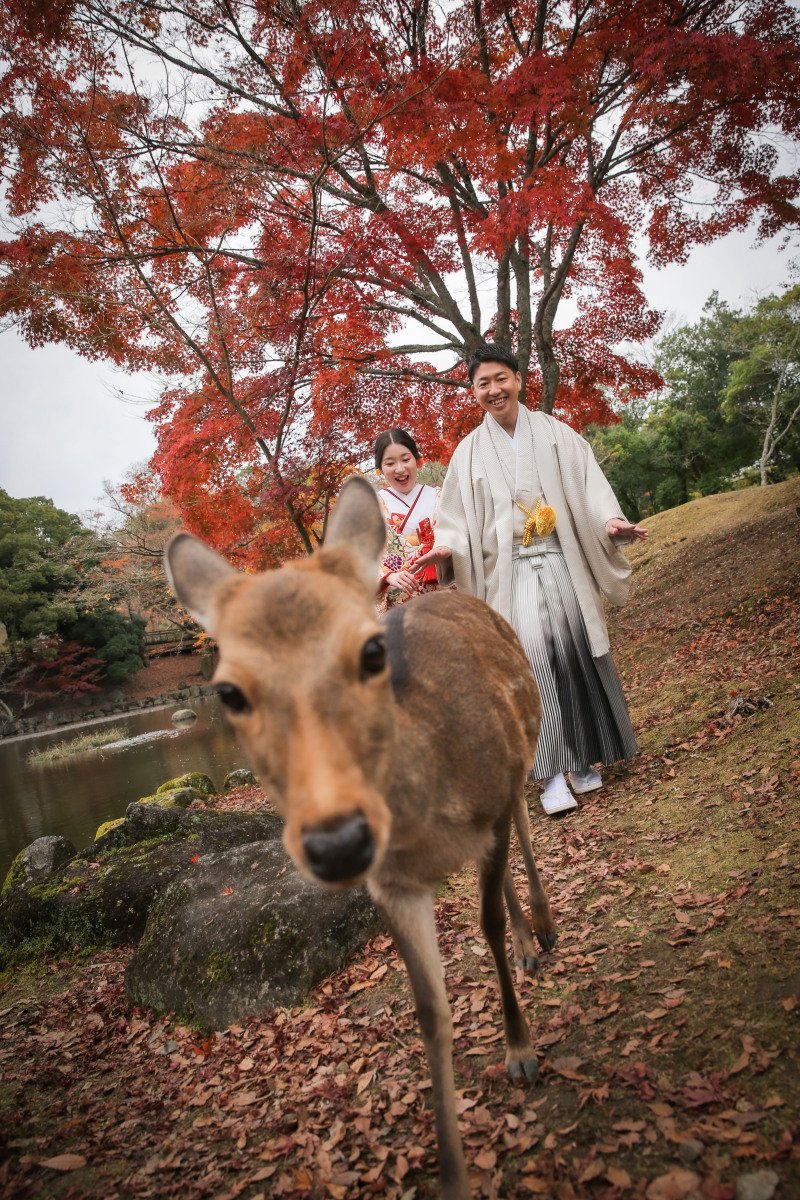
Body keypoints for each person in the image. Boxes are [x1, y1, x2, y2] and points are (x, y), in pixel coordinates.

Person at [413, 345, 647, 816]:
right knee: (529, 664)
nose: (494, 390)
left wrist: (609, 522)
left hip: (559, 559)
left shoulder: (555, 433)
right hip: (508, 571)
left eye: (501, 379)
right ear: (474, 391)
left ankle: (581, 759)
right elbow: (454, 519)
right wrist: (447, 549)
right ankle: (548, 776)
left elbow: (589, 486)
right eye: (483, 383)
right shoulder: (468, 453)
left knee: (573, 652)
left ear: (519, 380)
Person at [374, 428, 446, 615]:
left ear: (418, 460)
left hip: (440, 597)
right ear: (380, 468)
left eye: (406, 460)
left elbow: (459, 538)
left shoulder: (440, 497)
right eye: (390, 463)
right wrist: (387, 576)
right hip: (396, 604)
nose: (400, 469)